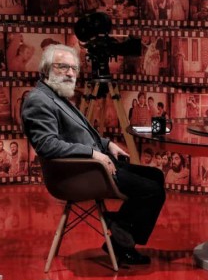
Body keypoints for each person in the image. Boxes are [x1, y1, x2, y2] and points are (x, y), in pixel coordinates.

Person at [21, 44, 166, 265]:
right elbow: (47, 145)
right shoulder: (38, 100)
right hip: (80, 172)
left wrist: (107, 145)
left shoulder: (56, 95)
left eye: (74, 68)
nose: (70, 73)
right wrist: (93, 154)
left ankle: (120, 228)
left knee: (156, 176)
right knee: (153, 191)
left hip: (94, 164)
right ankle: (121, 240)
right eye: (63, 67)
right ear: (46, 69)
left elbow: (80, 133)